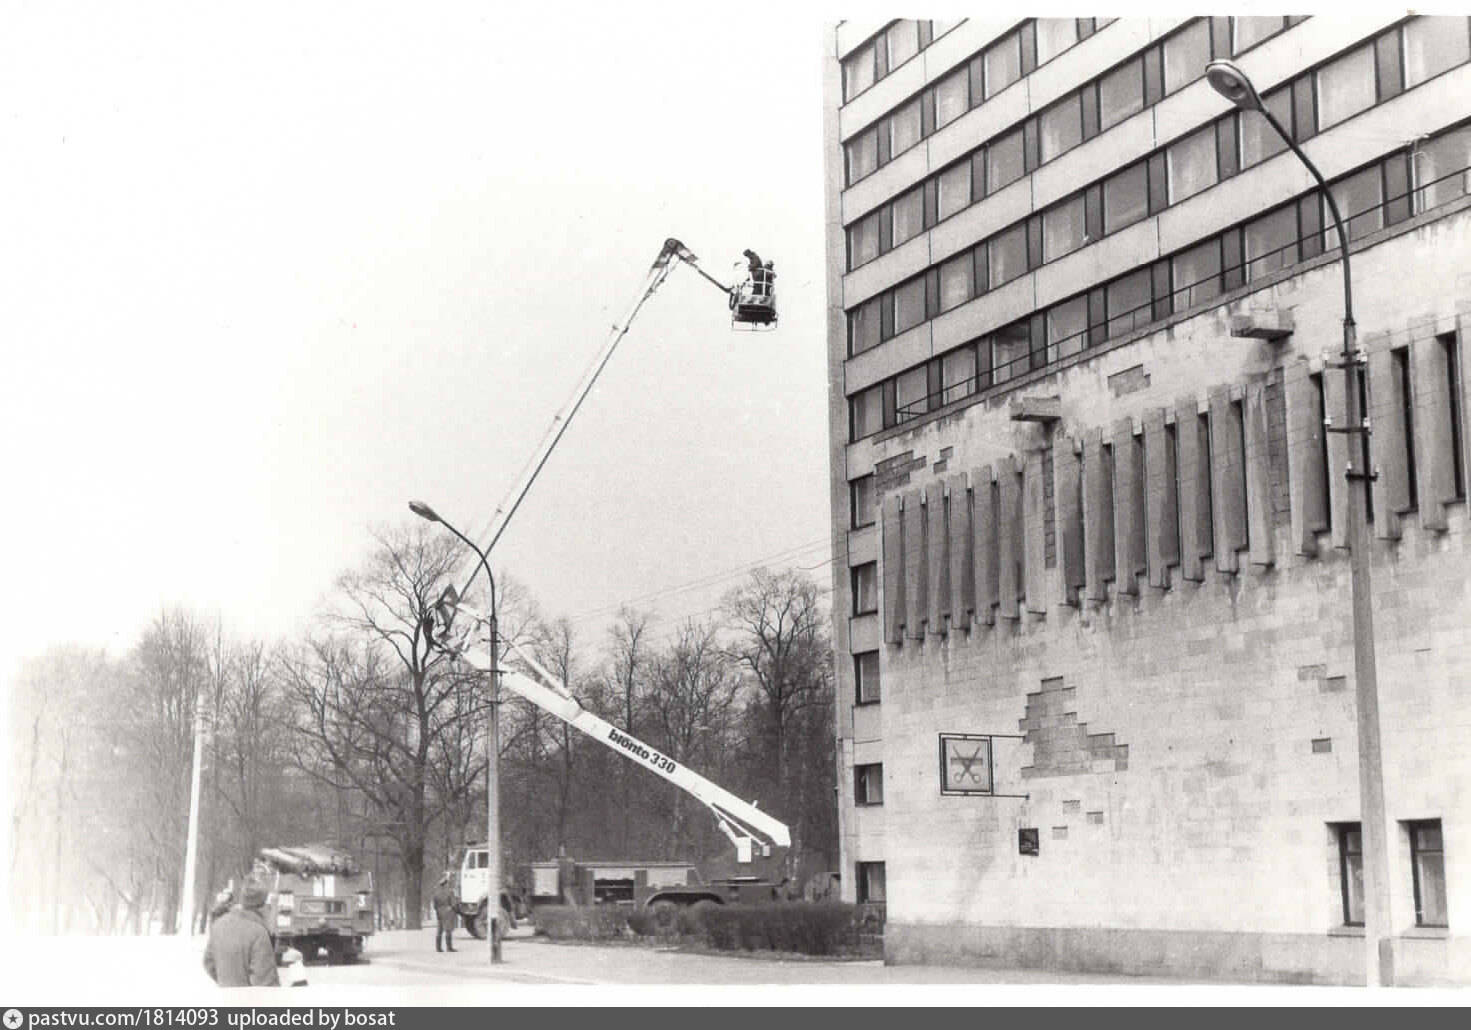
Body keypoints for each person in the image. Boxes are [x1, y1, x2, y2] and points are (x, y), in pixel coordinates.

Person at [202, 878, 279, 987]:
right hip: (249, 997)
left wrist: (227, 982)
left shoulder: (219, 925)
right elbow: (265, 982)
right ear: (263, 906)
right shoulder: (259, 933)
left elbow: (209, 962)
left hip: (225, 995)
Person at [432, 873, 459, 953]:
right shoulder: (450, 892)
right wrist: (455, 908)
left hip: (439, 912)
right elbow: (453, 903)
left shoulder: (436, 893)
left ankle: (438, 948)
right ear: (446, 884)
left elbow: (435, 905)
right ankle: (449, 947)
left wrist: (438, 910)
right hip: (448, 912)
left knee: (439, 930)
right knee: (448, 930)